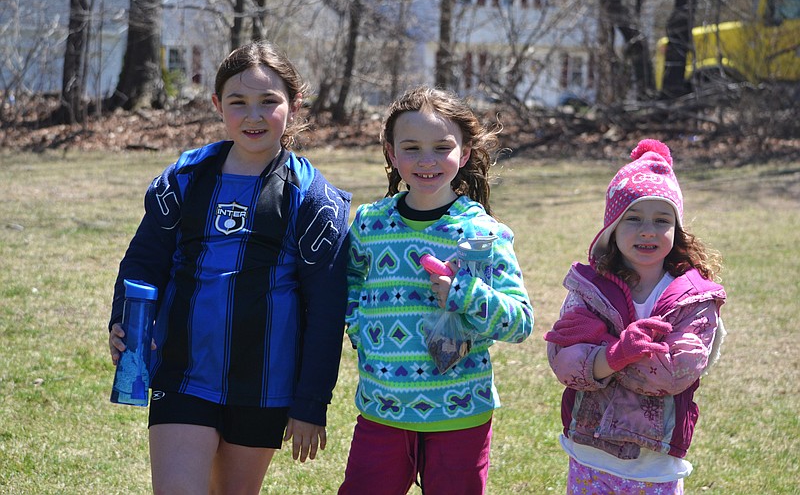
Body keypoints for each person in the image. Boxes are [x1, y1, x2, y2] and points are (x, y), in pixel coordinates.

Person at [107, 41, 352, 494]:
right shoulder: (184, 179)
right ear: (218, 105)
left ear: (294, 106)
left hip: (264, 385)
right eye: (238, 102)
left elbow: (326, 308)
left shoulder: (313, 198)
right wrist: (124, 321)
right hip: (182, 373)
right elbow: (144, 262)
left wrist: (310, 402)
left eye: (269, 102)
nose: (253, 116)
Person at [339, 86, 534, 494]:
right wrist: (359, 328)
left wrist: (464, 294)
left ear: (463, 154)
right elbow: (349, 281)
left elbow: (520, 322)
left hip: (460, 413)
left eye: (441, 147)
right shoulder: (371, 223)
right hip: (383, 409)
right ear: (392, 154)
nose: (426, 161)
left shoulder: (483, 233)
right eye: (411, 148)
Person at [544, 139, 726, 494]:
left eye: (662, 220)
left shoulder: (694, 298)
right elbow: (563, 362)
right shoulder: (588, 289)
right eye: (634, 219)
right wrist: (618, 353)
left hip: (654, 465)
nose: (648, 230)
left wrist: (603, 356)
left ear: (677, 230)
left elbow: (677, 373)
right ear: (612, 228)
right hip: (589, 453)